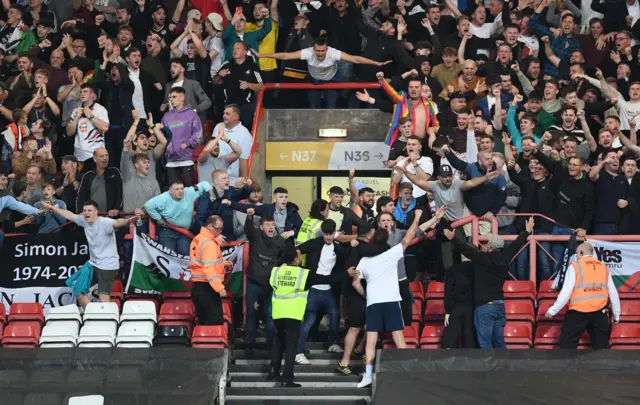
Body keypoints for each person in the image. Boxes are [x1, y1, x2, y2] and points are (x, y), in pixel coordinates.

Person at [351, 209, 423, 388]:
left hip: (373, 303)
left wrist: (366, 295)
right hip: (391, 301)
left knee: (371, 341)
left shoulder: (364, 261)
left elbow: (355, 283)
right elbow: (409, 237)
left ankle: (367, 376)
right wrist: (417, 218)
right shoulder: (392, 254)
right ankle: (407, 373)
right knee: (399, 339)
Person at [446, 217, 535, 348]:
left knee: (485, 343)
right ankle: (503, 367)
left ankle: (488, 368)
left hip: (484, 307)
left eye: (487, 243)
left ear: (490, 248)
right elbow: (516, 246)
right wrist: (526, 232)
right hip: (500, 306)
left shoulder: (483, 259)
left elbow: (466, 249)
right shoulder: (505, 258)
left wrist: (453, 238)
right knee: (499, 342)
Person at [267, 242, 347, 388]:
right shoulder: (303, 274)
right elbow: (327, 279)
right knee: (291, 347)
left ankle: (273, 371)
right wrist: (345, 273)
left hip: (278, 314)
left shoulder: (276, 271)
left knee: (278, 342)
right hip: (293, 315)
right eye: (299, 256)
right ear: (296, 260)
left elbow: (268, 287)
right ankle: (287, 378)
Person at [39, 200, 137, 308]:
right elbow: (70, 215)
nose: (86, 213)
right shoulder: (83, 221)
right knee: (78, 290)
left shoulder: (105, 222)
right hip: (93, 264)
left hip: (108, 266)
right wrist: (51, 207)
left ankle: (108, 322)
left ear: (96, 212)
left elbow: (117, 222)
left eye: (89, 210)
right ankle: (93, 316)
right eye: (84, 210)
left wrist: (127, 221)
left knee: (103, 298)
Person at [545, 242, 621, 349]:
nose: (576, 256)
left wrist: (553, 310)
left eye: (576, 254)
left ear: (581, 252)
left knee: (567, 348)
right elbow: (613, 292)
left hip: (578, 312)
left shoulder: (575, 266)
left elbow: (566, 291)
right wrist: (616, 315)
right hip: (599, 313)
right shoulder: (603, 267)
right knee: (602, 349)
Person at [294, 219, 345, 365]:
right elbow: (298, 249)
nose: (329, 237)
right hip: (314, 288)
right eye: (326, 234)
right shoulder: (315, 243)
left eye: (331, 234)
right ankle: (299, 352)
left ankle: (333, 343)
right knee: (309, 320)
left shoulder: (339, 248)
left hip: (328, 288)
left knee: (335, 314)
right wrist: (298, 263)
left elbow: (343, 263)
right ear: (322, 233)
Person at [243, 208, 286, 356]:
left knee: (270, 315)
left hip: (271, 286)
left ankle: (270, 346)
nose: (270, 227)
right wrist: (250, 217)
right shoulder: (255, 236)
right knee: (251, 314)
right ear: (261, 227)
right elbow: (248, 230)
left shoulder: (280, 241)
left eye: (272, 225)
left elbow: (284, 257)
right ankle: (249, 345)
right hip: (254, 283)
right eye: (267, 225)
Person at [144, 179, 213, 256]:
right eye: (177, 189)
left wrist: (211, 194)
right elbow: (148, 205)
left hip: (185, 232)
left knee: (185, 254)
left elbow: (204, 184)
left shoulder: (189, 191)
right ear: (170, 191)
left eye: (181, 188)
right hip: (168, 231)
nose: (180, 191)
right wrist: (158, 218)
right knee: (168, 255)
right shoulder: (163, 198)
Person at [190, 215, 231, 325]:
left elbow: (203, 262)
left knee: (203, 323)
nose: (220, 231)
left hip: (198, 288)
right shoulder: (209, 244)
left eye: (221, 229)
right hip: (208, 289)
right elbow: (209, 269)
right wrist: (219, 288)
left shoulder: (198, 238)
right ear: (209, 227)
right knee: (214, 324)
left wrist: (222, 264)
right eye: (218, 229)